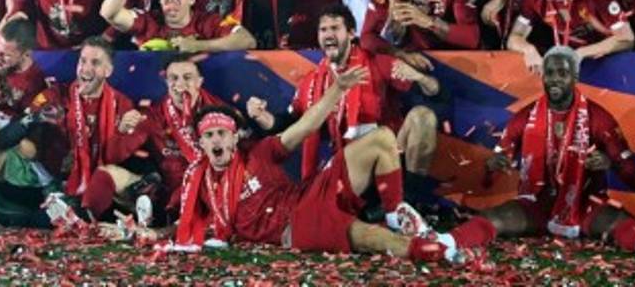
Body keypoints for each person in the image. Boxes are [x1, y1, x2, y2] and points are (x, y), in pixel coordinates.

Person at [176, 81, 494, 263]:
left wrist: (337, 88)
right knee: (375, 240)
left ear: (235, 138)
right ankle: (448, 247)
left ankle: (395, 213)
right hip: (297, 227)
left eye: (222, 134)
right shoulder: (198, 182)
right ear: (201, 143)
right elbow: (184, 220)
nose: (216, 141)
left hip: (310, 193)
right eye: (209, 136)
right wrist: (158, 234)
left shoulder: (259, 152)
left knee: (383, 138)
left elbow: (305, 126)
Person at [483, 47, 635, 261]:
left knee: (617, 219)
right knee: (495, 217)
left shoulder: (599, 118)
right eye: (549, 73)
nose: (554, 79)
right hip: (536, 203)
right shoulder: (524, 117)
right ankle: (456, 244)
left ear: (575, 77)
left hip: (585, 203)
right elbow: (487, 180)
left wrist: (610, 164)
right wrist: (491, 166)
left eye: (562, 73)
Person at [248, 5, 441, 180]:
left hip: (392, 156)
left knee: (423, 117)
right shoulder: (311, 82)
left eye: (335, 28)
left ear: (351, 33)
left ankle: (412, 196)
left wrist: (421, 78)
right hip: (351, 168)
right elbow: (290, 124)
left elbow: (435, 93)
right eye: (323, 30)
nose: (328, 35)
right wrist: (262, 116)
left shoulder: (377, 63)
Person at [28, 38, 151, 222]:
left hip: (101, 187)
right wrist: (40, 118)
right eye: (83, 61)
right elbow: (28, 123)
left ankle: (80, 216)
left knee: (128, 179)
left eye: (95, 63)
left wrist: (121, 133)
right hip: (59, 183)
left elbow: (113, 159)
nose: (85, 69)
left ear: (108, 71)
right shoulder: (56, 96)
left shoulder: (122, 105)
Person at [140, 55, 223, 225]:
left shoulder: (220, 113)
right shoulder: (153, 116)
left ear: (199, 82)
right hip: (166, 190)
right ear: (166, 82)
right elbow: (119, 154)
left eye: (187, 78)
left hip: (208, 189)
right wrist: (123, 130)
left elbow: (241, 153)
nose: (179, 84)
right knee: (109, 175)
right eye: (173, 78)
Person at [103, 0, 257, 53]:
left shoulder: (208, 22)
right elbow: (109, 13)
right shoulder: (147, 20)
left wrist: (198, 46)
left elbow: (247, 40)